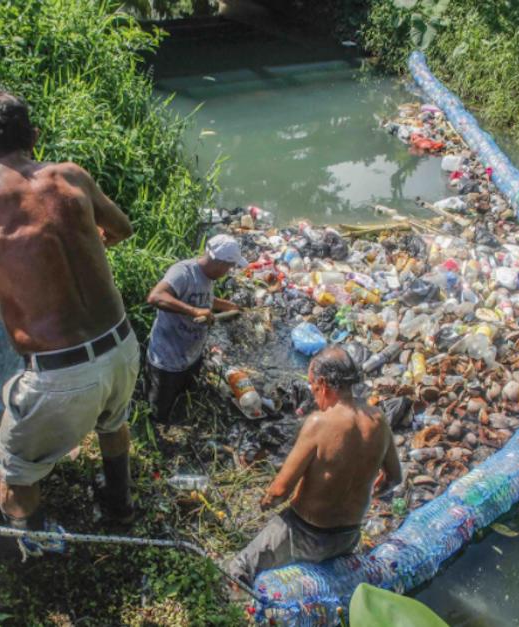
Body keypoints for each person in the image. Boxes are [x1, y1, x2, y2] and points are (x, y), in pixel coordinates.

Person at [0, 90, 139, 528]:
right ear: (34, 137)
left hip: (60, 374)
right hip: (121, 347)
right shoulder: (71, 176)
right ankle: (120, 506)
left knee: (15, 471)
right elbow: (122, 228)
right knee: (113, 424)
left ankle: (31, 552)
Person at [228, 346, 402, 584]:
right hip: (348, 537)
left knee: (238, 569)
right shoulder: (379, 421)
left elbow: (280, 491)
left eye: (312, 385)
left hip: (305, 535)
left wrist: (264, 504)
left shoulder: (319, 422)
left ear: (323, 383)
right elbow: (394, 478)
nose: (311, 392)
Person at [145, 234, 244, 423]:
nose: (229, 271)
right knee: (159, 412)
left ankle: (180, 425)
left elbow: (204, 299)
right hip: (166, 360)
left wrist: (228, 307)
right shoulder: (183, 272)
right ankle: (160, 441)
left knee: (184, 400)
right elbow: (156, 297)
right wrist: (194, 311)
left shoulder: (208, 277)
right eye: (229, 267)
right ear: (220, 263)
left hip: (191, 357)